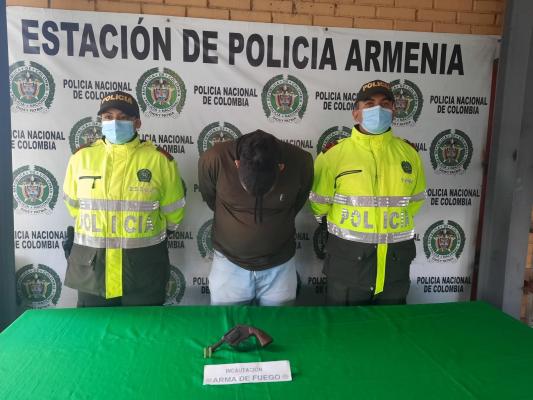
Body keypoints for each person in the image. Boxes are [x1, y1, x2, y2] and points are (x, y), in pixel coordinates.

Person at [62, 91, 186, 307]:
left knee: (142, 327)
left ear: (137, 122)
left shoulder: (159, 160)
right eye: (108, 117)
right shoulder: (81, 158)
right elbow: (73, 206)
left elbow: (173, 215)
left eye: (123, 117)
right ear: (101, 121)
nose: (115, 122)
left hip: (142, 270)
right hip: (94, 270)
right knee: (94, 328)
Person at [309, 79, 426, 305]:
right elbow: (319, 205)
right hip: (348, 266)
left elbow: (414, 202)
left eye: (385, 104)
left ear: (394, 111)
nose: (378, 109)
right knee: (345, 326)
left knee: (391, 327)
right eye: (369, 104)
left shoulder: (409, 154)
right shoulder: (333, 155)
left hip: (394, 267)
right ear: (356, 113)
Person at [198, 129, 313, 306]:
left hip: (280, 266)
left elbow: (297, 202)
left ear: (280, 168)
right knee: (228, 321)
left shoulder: (301, 161)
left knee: (278, 322)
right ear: (237, 164)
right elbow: (210, 198)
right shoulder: (215, 159)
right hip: (229, 264)